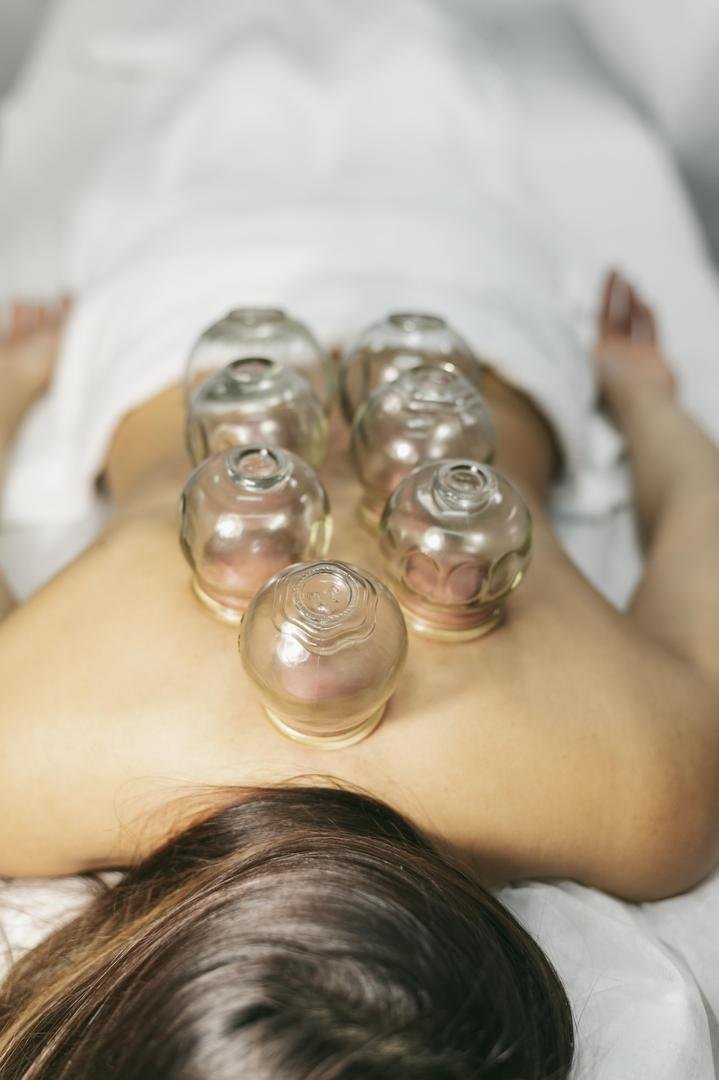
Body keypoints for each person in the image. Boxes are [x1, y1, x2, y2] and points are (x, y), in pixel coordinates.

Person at [0, 267, 717, 1076]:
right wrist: (17, 380)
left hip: (429, 313)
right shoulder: (21, 765)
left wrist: (640, 399)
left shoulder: (649, 796)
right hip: (224, 312)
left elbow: (700, 516)